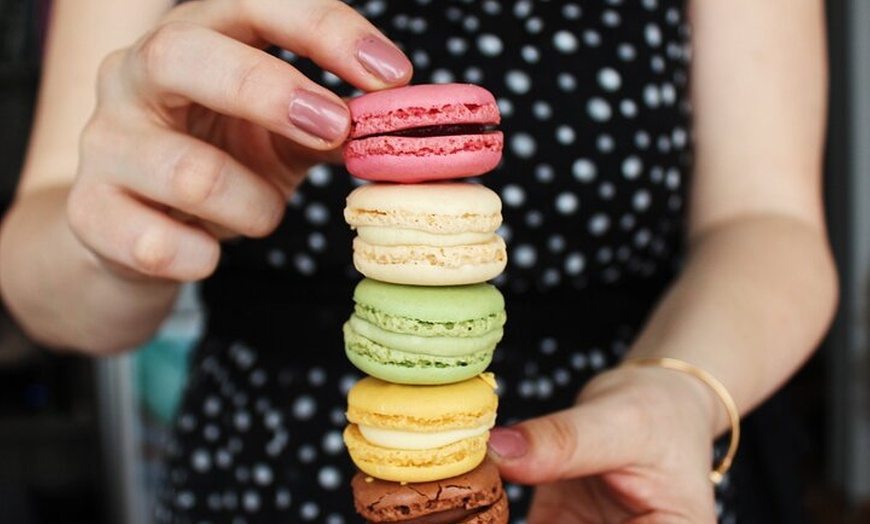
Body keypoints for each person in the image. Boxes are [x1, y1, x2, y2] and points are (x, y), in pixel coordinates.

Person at [0, 0, 837, 523]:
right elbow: (41, 273)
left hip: (623, 461)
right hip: (259, 465)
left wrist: (680, 392)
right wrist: (128, 235)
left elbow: (769, 219)